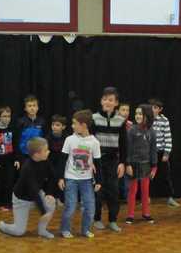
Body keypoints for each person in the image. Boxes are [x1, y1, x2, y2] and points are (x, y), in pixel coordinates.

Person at [0, 137, 57, 239]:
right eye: (46, 150)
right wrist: (43, 212)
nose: (48, 152)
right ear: (37, 154)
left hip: (36, 194)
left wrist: (49, 193)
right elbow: (33, 191)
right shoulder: (27, 168)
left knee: (51, 203)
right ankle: (2, 225)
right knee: (19, 231)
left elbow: (52, 177)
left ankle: (42, 230)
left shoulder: (45, 160)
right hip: (21, 200)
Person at [59, 109, 102, 239]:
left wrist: (99, 181)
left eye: (75, 123)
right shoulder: (69, 140)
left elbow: (98, 163)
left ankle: (85, 229)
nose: (72, 126)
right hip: (70, 179)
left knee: (89, 207)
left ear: (83, 125)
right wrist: (60, 178)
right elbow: (62, 160)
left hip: (87, 180)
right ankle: (65, 229)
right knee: (70, 206)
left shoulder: (94, 142)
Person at [92, 86, 126, 232]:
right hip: (97, 161)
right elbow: (89, 141)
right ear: (101, 101)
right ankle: (97, 218)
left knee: (113, 191)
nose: (107, 102)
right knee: (98, 192)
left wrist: (123, 163)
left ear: (116, 103)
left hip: (113, 161)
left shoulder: (121, 120)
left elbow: (124, 144)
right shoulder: (94, 118)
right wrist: (90, 161)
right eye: (105, 99)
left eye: (111, 100)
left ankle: (112, 220)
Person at [125, 104, 158, 225]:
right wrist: (128, 164)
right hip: (133, 165)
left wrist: (154, 166)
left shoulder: (152, 132)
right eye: (136, 114)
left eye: (140, 114)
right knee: (132, 190)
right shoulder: (132, 130)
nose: (137, 116)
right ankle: (130, 214)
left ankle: (146, 213)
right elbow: (128, 149)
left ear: (147, 116)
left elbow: (153, 150)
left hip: (146, 165)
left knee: (145, 190)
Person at [0, 106, 20, 211]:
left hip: (10, 160)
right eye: (4, 116)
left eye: (9, 116)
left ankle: (8, 203)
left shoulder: (12, 129)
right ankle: (1, 203)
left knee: (9, 182)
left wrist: (16, 159)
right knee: (1, 183)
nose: (7, 119)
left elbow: (15, 145)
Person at [150, 98, 178, 207]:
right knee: (147, 176)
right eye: (151, 107)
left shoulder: (164, 120)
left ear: (160, 109)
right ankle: (146, 197)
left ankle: (170, 197)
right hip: (148, 153)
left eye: (155, 108)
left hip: (160, 152)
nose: (153, 109)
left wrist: (166, 153)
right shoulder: (146, 119)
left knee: (166, 176)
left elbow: (168, 138)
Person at [46, 114, 68, 204]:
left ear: (63, 127)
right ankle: (50, 197)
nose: (54, 127)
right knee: (51, 179)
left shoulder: (67, 138)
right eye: (53, 125)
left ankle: (60, 198)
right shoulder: (48, 137)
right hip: (50, 162)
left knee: (61, 179)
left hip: (62, 162)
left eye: (57, 125)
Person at [17, 94, 45, 160]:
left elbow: (44, 139)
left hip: (38, 154)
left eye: (34, 105)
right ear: (25, 108)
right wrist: (18, 156)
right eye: (29, 106)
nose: (32, 108)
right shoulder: (20, 122)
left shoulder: (42, 121)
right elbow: (17, 140)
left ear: (37, 108)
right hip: (23, 155)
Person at [117, 103, 132, 202]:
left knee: (127, 180)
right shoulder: (114, 123)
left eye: (127, 110)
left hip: (128, 156)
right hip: (116, 155)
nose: (125, 112)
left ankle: (128, 198)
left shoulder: (131, 125)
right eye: (123, 110)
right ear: (118, 111)